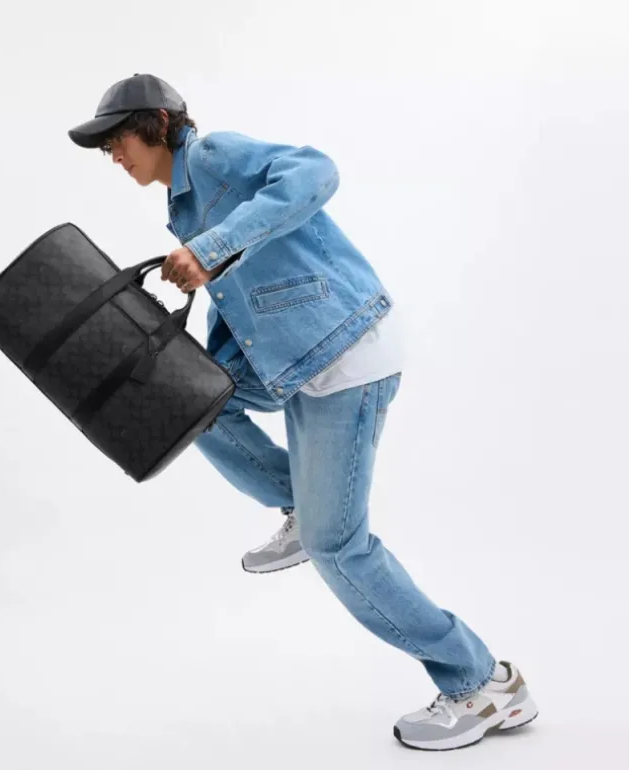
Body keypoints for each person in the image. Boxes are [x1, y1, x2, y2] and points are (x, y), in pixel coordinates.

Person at [68, 73, 538, 751]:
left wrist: (208, 248)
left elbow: (316, 171)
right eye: (105, 147)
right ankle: (301, 505)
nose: (113, 155)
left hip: (344, 351)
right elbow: (244, 295)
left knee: (337, 547)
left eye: (118, 139)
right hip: (294, 355)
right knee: (190, 400)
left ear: (160, 124)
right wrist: (204, 349)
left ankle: (482, 683)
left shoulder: (213, 155)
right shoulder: (182, 199)